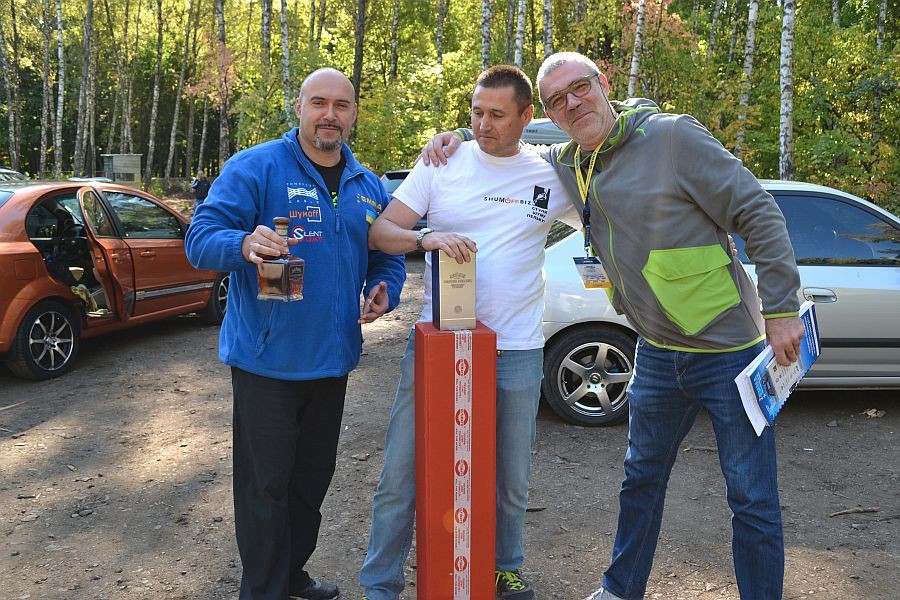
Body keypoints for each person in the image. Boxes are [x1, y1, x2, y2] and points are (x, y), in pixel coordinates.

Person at [424, 52, 805, 600]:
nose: (572, 103)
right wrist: (462, 134)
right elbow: (507, 135)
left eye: (579, 88)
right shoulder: (570, 161)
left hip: (729, 351)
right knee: (640, 480)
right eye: (557, 100)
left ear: (603, 83)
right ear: (549, 113)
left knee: (751, 497)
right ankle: (620, 590)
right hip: (656, 350)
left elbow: (758, 211)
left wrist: (782, 308)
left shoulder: (672, 137)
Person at [185, 67, 406, 600]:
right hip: (267, 364)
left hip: (332, 361)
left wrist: (386, 287)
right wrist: (243, 244)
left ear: (353, 114)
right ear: (300, 107)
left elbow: (387, 253)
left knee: (310, 483)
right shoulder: (257, 167)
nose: (330, 115)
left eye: (341, 105)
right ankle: (263, 590)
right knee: (265, 489)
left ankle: (291, 577)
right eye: (319, 103)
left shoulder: (367, 184)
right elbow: (199, 239)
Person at [360, 65, 580, 600]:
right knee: (402, 469)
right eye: (476, 113)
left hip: (517, 347)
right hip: (440, 342)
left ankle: (503, 567)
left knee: (510, 474)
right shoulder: (442, 161)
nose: (483, 125)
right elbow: (381, 232)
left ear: (526, 117)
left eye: (497, 115)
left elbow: (610, 219)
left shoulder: (552, 174)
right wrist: (427, 238)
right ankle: (380, 583)